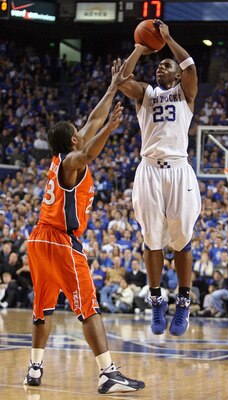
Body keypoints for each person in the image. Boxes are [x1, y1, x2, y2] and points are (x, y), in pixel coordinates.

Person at [23, 59, 145, 395]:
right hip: (61, 241)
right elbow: (88, 153)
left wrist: (112, 86)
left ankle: (34, 368)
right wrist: (110, 129)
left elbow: (93, 118)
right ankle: (108, 372)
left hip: (38, 239)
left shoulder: (62, 156)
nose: (84, 130)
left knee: (42, 307)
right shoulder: (72, 163)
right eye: (80, 134)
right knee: (87, 307)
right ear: (74, 141)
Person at [118, 20, 201, 336]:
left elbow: (190, 66)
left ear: (177, 74)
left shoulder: (186, 93)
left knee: (181, 241)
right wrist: (140, 47)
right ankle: (156, 301)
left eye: (166, 66)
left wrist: (167, 39)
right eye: (158, 67)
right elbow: (122, 79)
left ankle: (183, 302)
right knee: (151, 240)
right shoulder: (145, 95)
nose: (159, 69)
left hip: (179, 170)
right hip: (149, 170)